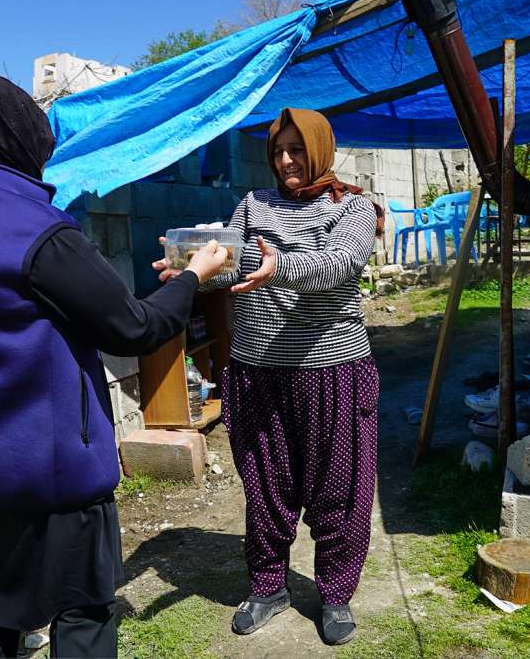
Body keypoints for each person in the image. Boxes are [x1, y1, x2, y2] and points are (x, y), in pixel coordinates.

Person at [0, 74, 228, 659]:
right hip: (45, 476)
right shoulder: (37, 236)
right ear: (13, 137)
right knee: (85, 613)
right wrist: (195, 275)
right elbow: (135, 327)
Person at [156, 107, 383, 646]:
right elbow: (228, 262)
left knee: (341, 488)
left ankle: (335, 593)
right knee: (264, 485)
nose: (286, 160)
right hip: (257, 371)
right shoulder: (252, 205)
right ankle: (268, 586)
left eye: (297, 149)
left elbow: (340, 264)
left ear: (320, 149)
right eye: (278, 151)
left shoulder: (353, 208)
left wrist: (278, 266)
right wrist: (190, 270)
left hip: (331, 369)